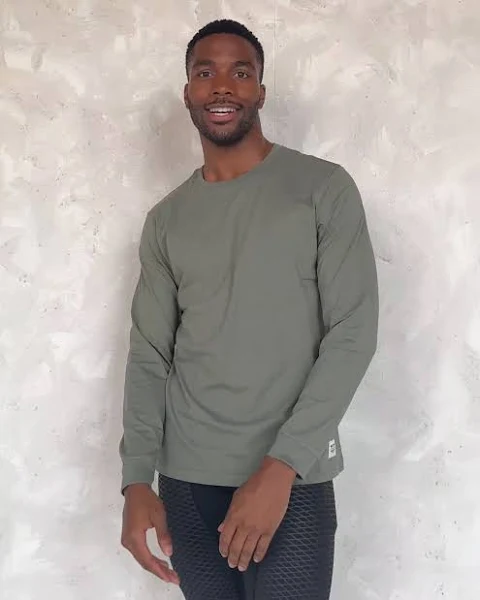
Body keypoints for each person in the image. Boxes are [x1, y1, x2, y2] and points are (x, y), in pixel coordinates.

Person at [119, 18, 379, 600]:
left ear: (261, 91)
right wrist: (136, 479)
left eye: (240, 72)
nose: (221, 86)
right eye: (204, 72)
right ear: (188, 92)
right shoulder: (166, 220)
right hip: (186, 480)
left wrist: (283, 465)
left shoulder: (322, 189)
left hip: (291, 479)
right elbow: (150, 355)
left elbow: (352, 333)